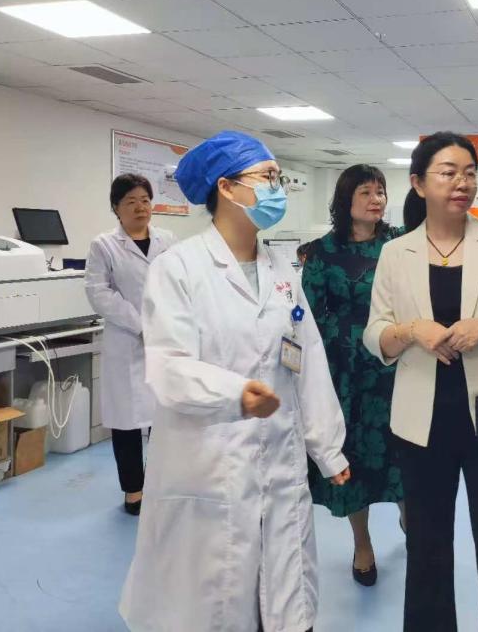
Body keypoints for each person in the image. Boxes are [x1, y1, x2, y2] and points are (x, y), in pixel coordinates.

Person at [119, 131, 350, 632]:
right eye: (267, 178)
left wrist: (328, 448)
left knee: (284, 600)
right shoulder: (179, 268)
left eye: (277, 179)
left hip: (280, 456)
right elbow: (169, 365)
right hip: (210, 460)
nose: (277, 189)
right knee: (215, 599)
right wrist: (233, 394)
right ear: (225, 187)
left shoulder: (281, 270)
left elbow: (307, 357)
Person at [364, 132, 478, 632]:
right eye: (448, 173)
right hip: (421, 422)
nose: (462, 183)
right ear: (418, 183)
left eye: (470, 173)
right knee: (426, 545)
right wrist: (411, 331)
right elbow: (375, 334)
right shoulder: (396, 252)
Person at [302, 164, 405, 587]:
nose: (376, 199)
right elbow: (307, 316)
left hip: (396, 362)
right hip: (344, 371)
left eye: (380, 191)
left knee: (403, 449)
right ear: (346, 200)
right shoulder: (322, 252)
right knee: (353, 456)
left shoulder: (400, 243)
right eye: (366, 192)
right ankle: (362, 543)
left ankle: (410, 517)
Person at [85, 173, 177, 515]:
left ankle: (160, 483)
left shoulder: (168, 240)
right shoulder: (104, 245)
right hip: (126, 341)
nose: (141, 207)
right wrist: (140, 325)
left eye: (145, 200)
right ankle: (134, 490)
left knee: (164, 419)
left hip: (166, 339)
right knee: (126, 421)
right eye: (131, 202)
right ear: (116, 208)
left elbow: (181, 282)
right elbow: (98, 292)